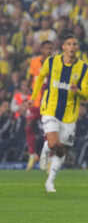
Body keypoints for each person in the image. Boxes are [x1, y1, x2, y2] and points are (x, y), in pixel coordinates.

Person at [29, 31, 88, 192]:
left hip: (70, 115)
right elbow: (40, 78)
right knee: (53, 143)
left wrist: (77, 90)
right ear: (63, 47)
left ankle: (50, 181)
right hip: (50, 109)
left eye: (74, 44)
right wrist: (33, 97)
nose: (72, 47)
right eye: (69, 44)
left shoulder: (84, 68)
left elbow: (86, 95)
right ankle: (46, 147)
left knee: (61, 149)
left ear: (77, 48)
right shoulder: (51, 62)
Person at [25, 40, 54, 171]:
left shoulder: (54, 65)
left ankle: (48, 158)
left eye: (51, 49)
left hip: (48, 103)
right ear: (41, 49)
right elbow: (30, 80)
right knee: (28, 127)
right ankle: (33, 155)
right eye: (47, 48)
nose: (49, 51)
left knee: (48, 131)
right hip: (35, 102)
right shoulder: (34, 62)